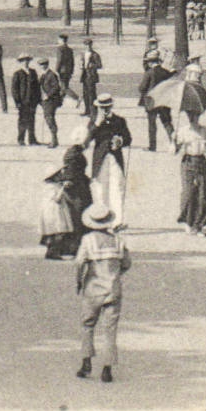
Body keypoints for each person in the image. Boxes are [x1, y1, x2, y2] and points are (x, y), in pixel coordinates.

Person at [76, 202, 131, 383]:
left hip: (93, 288)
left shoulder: (88, 240)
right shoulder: (117, 241)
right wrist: (116, 274)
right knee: (110, 330)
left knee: (88, 324)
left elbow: (80, 262)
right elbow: (126, 263)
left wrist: (79, 281)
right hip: (113, 289)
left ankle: (86, 362)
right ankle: (107, 368)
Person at [41, 128, 92, 259]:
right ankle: (73, 247)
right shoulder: (73, 154)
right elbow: (71, 172)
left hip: (79, 185)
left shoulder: (75, 152)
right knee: (77, 215)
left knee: (75, 216)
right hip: (77, 189)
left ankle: (70, 247)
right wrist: (72, 180)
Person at [174, 109, 206, 236]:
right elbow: (174, 151)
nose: (192, 117)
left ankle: (198, 225)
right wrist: (174, 142)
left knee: (203, 194)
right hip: (188, 162)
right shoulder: (183, 131)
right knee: (188, 192)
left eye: (194, 115)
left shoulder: (204, 131)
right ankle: (188, 222)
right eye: (189, 115)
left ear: (199, 116)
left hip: (201, 162)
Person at [88, 95, 132, 226]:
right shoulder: (94, 121)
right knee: (100, 189)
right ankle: (102, 219)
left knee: (117, 188)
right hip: (100, 160)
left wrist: (121, 141)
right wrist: (97, 123)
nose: (105, 110)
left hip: (115, 159)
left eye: (107, 107)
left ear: (111, 106)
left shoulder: (120, 120)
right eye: (102, 108)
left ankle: (117, 221)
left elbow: (128, 138)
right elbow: (88, 137)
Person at [137, 54, 177, 151]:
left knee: (152, 124)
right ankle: (175, 143)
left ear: (150, 62)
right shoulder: (165, 72)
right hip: (164, 100)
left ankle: (152, 146)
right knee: (167, 122)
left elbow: (142, 88)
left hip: (152, 101)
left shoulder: (149, 73)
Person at [38, 57, 65, 148]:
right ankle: (54, 140)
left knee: (50, 119)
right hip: (45, 101)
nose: (42, 66)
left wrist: (48, 95)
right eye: (41, 65)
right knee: (48, 118)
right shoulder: (43, 75)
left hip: (51, 100)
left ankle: (54, 140)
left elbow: (56, 87)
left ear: (47, 65)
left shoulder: (51, 75)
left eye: (44, 65)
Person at [79, 38, 103, 123]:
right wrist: (81, 66)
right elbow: (82, 62)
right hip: (85, 75)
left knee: (92, 94)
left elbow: (100, 65)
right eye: (86, 45)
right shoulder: (83, 54)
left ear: (91, 45)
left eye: (89, 45)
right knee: (85, 93)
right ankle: (87, 111)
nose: (87, 47)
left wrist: (92, 65)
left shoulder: (95, 55)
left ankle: (93, 112)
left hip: (91, 76)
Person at [56, 35, 77, 102]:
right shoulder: (69, 50)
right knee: (64, 86)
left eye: (58, 40)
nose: (58, 41)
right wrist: (71, 70)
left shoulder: (60, 49)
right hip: (68, 71)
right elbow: (72, 61)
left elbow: (59, 60)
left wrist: (57, 69)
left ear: (62, 40)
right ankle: (59, 101)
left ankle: (77, 98)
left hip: (62, 71)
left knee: (64, 87)